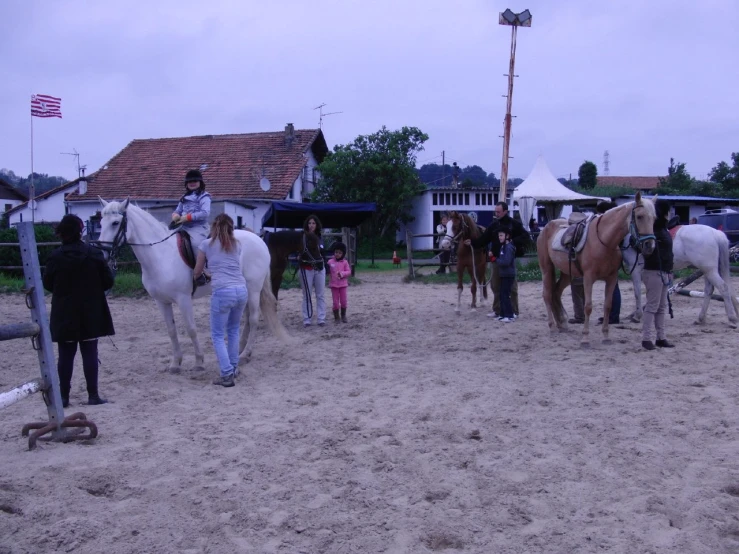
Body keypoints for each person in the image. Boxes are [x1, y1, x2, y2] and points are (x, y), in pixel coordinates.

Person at [42, 214, 115, 407]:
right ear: (81, 231)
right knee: (90, 352)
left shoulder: (55, 256)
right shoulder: (94, 254)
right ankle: (93, 395)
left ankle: (64, 397)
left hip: (65, 311)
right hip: (91, 311)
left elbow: (48, 283)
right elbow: (108, 281)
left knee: (66, 355)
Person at [193, 214, 247, 387]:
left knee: (217, 335)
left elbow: (197, 272)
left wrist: (206, 274)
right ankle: (234, 367)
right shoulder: (237, 244)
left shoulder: (206, 245)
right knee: (233, 331)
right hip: (241, 289)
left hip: (223, 291)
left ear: (214, 227)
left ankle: (226, 373)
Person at [464, 202, 530, 318]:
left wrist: (512, 242)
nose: (497, 213)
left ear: (505, 211)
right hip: (495, 259)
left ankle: (514, 311)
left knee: (511, 287)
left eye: (499, 211)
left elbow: (526, 236)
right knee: (495, 285)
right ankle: (498, 310)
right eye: (496, 211)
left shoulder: (514, 224)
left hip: (509, 260)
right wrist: (472, 242)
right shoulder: (494, 225)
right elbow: (483, 240)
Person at [570, 201, 622, 325]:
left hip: (601, 259)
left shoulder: (603, 224)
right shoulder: (615, 223)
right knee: (614, 287)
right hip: (614, 258)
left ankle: (609, 316)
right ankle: (613, 316)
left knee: (611, 288)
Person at [641, 199, 674, 350]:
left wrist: (669, 270)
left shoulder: (663, 230)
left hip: (664, 271)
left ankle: (661, 337)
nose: (670, 214)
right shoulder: (653, 231)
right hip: (654, 271)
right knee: (652, 306)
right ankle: (646, 338)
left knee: (661, 306)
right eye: (668, 211)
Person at [171, 169, 212, 262]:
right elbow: (178, 210)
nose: (192, 183)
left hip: (198, 227)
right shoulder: (183, 197)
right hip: (183, 227)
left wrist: (188, 217)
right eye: (189, 181)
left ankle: (203, 271)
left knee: (196, 244)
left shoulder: (204, 196)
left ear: (200, 182)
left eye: (195, 181)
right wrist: (175, 216)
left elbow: (205, 213)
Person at [300, 214, 327, 327]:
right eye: (310, 223)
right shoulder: (303, 238)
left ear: (317, 225)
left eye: (313, 223)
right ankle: (307, 319)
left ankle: (321, 318)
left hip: (319, 268)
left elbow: (323, 253)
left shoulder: (320, 238)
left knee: (320, 294)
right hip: (307, 268)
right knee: (307, 294)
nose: (311, 225)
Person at [496, 227, 516, 322]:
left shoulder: (509, 247)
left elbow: (506, 262)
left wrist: (496, 260)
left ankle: (509, 315)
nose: (499, 237)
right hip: (504, 274)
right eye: (499, 235)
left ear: (507, 236)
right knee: (502, 294)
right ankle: (503, 314)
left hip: (508, 274)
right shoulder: (503, 247)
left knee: (505, 295)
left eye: (501, 235)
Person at [327, 241, 351, 323]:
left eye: (340, 253)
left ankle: (343, 315)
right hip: (334, 285)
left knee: (344, 301)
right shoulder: (330, 262)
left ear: (343, 254)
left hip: (343, 285)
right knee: (335, 302)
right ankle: (336, 317)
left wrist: (343, 274)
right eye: (336, 252)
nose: (337, 254)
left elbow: (349, 271)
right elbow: (327, 271)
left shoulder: (345, 262)